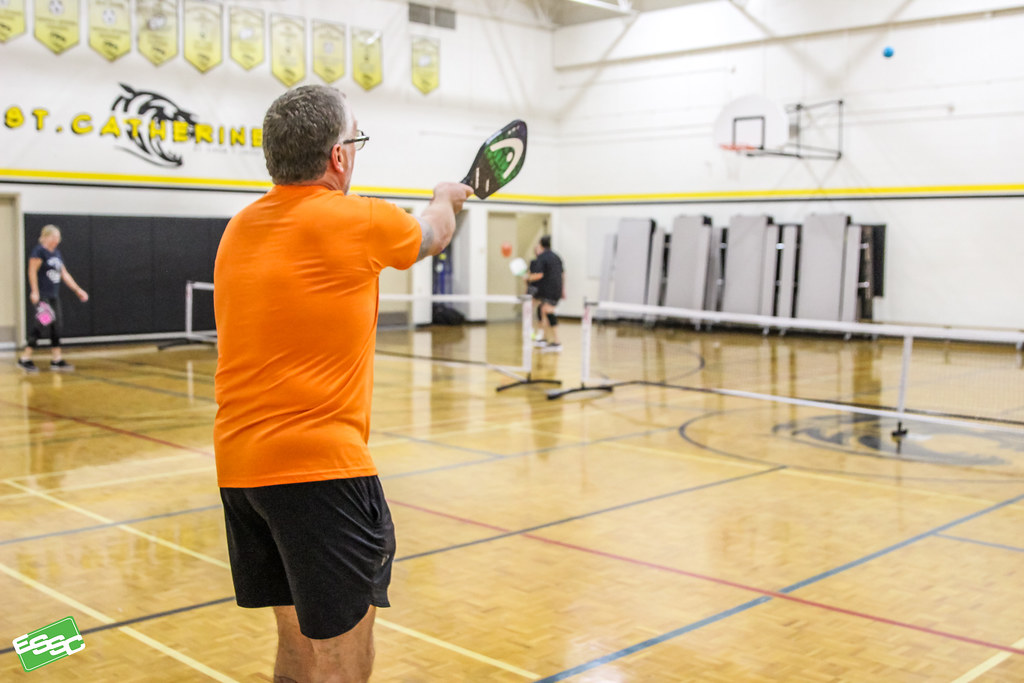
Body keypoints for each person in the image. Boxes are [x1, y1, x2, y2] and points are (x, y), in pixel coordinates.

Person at [213, 84, 472, 683]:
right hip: (321, 471)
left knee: (296, 646)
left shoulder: (237, 229)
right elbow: (432, 233)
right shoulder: (360, 219)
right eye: (354, 140)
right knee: (342, 661)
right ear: (338, 156)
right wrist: (445, 194)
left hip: (242, 470)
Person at [17, 224, 89, 373]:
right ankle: (25, 358)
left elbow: (64, 274)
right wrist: (34, 291)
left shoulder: (56, 253)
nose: (57, 240)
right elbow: (32, 271)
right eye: (54, 237)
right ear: (46, 237)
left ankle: (56, 359)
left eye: (58, 238)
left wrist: (77, 290)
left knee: (56, 326)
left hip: (53, 295)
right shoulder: (39, 251)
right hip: (43, 295)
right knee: (42, 324)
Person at [525, 235, 564, 352]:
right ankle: (544, 338)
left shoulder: (542, 257)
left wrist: (527, 277)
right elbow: (563, 274)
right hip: (556, 288)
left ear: (541, 244)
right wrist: (563, 290)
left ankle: (557, 342)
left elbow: (539, 275)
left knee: (548, 311)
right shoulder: (557, 257)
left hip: (549, 290)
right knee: (543, 311)